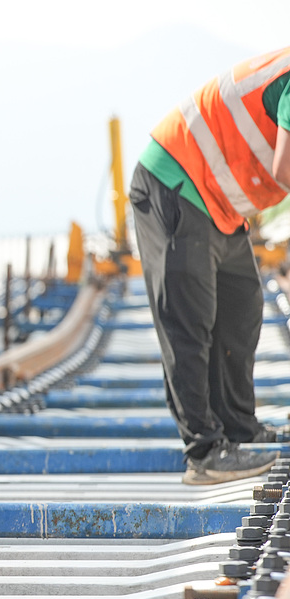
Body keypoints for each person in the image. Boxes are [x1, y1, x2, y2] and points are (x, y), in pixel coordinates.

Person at [129, 48, 288, 485]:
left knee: (242, 308)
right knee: (190, 318)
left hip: (220, 203)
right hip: (175, 179)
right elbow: (285, 165)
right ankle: (204, 451)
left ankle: (239, 429)